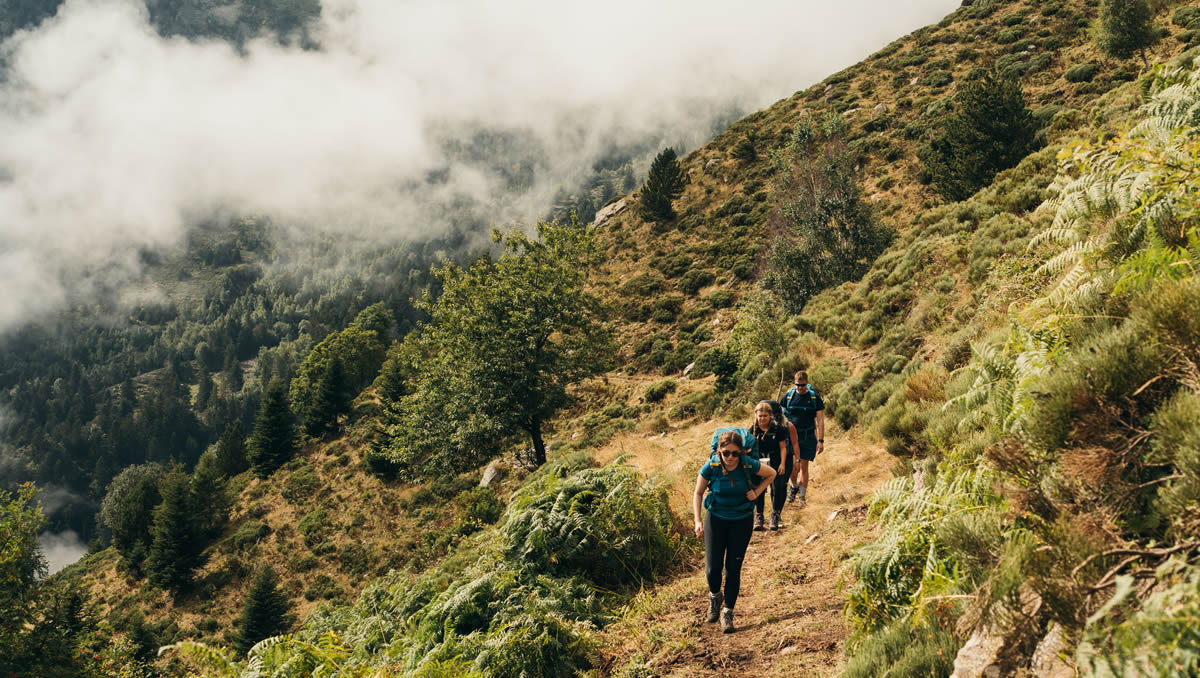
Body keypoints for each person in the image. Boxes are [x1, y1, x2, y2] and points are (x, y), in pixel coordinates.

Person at [694, 430, 777, 633]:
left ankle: (727, 613)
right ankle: (715, 597)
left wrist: (756, 493)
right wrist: (697, 521)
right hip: (716, 518)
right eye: (726, 453)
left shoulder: (748, 464)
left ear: (741, 453)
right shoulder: (712, 465)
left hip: (741, 521)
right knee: (713, 569)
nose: (730, 458)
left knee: (733, 568)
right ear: (719, 451)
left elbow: (772, 473)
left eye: (734, 453)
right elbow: (698, 492)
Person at [749, 401, 798, 531]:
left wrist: (782, 464)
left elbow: (783, 448)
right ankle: (759, 516)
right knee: (759, 486)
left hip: (777, 459)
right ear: (756, 416)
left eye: (765, 415)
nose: (762, 418)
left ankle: (775, 515)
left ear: (770, 416)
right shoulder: (753, 429)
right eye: (760, 416)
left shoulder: (778, 428)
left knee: (778, 487)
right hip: (760, 460)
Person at [780, 370, 825, 507]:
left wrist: (821, 440)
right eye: (797, 385)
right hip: (791, 437)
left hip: (808, 436)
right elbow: (780, 416)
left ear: (807, 383)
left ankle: (802, 497)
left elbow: (820, 420)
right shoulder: (788, 397)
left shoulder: (814, 398)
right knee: (793, 467)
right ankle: (793, 487)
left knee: (804, 466)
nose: (800, 388)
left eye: (802, 385)